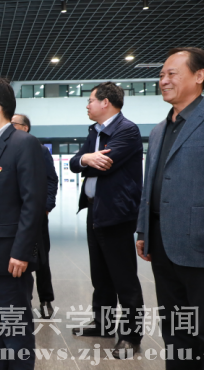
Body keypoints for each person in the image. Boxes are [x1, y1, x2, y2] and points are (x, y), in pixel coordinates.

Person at [136, 47, 204, 369]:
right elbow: (150, 183)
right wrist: (143, 230)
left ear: (199, 76)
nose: (163, 81)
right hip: (163, 245)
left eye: (171, 74)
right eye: (161, 75)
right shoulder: (158, 129)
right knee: (176, 333)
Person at [0, 77, 47, 369]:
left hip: (11, 256)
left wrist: (21, 251)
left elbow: (32, 203)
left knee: (15, 329)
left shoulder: (23, 143)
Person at [69, 82, 144, 359]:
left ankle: (131, 335)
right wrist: (86, 159)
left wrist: (86, 160)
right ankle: (103, 324)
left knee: (123, 277)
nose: (87, 105)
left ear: (105, 102)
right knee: (100, 274)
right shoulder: (96, 131)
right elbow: (75, 163)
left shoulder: (127, 130)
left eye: (90, 100)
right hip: (94, 210)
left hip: (116, 212)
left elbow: (103, 165)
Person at [10, 113, 58, 319]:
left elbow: (51, 180)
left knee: (41, 258)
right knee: (19, 257)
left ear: (25, 128)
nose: (10, 127)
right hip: (14, 215)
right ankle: (25, 300)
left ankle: (46, 299)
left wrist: (46, 206)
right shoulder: (8, 149)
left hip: (37, 214)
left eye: (14, 124)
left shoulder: (40, 150)